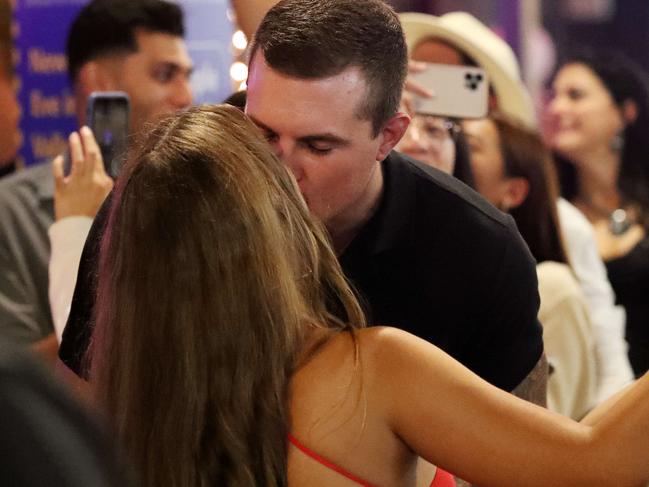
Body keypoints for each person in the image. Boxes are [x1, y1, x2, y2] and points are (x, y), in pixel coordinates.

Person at [90, 103, 649, 487]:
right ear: (268, 227)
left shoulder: (128, 407)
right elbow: (597, 463)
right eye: (275, 158)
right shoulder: (371, 371)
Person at [60, 0, 545, 407]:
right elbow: (88, 409)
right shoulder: (164, 192)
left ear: (389, 136)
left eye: (317, 146)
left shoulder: (479, 252)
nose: (279, 168)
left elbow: (523, 460)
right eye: (263, 133)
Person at [400, 12, 634, 402]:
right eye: (419, 74)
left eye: (449, 81)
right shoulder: (381, 191)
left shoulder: (557, 228)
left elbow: (605, 350)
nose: (428, 94)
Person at [0, 0, 193, 356]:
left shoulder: (198, 203)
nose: (186, 97)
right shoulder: (11, 214)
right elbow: (14, 385)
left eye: (186, 76)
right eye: (165, 75)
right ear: (100, 83)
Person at [464, 113, 597, 419]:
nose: (447, 149)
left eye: (468, 145)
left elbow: (546, 433)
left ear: (513, 191)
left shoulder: (551, 288)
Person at [548, 50, 649, 377]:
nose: (557, 108)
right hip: (587, 408)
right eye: (554, 95)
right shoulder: (548, 210)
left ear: (625, 112)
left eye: (575, 95)